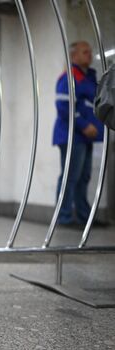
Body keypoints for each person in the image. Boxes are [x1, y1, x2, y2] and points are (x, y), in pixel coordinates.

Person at [53, 41, 104, 228]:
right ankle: (65, 217)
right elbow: (64, 106)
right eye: (85, 51)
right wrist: (84, 125)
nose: (89, 55)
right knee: (70, 177)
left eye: (90, 51)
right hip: (71, 136)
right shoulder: (69, 77)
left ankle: (84, 217)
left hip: (85, 136)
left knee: (83, 177)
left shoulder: (88, 77)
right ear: (74, 56)